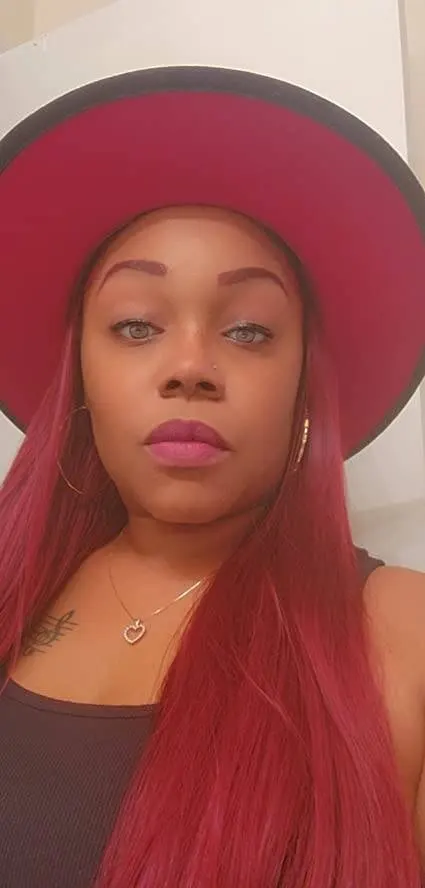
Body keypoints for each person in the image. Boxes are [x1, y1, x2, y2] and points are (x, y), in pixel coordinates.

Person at [0, 66, 425, 888]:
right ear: (79, 378)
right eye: (135, 325)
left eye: (248, 331)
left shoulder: (402, 632)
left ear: (303, 386)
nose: (189, 366)